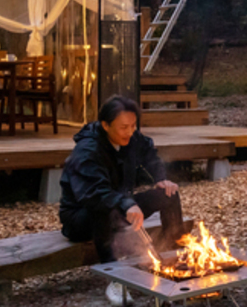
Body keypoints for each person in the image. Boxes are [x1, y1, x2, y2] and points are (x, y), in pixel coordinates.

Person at [59, 95, 185, 306]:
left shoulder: (130, 138)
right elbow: (94, 194)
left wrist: (161, 179)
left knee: (169, 195)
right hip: (82, 217)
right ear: (105, 125)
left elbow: (149, 153)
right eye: (124, 127)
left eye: (133, 126)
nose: (130, 132)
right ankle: (116, 279)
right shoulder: (87, 151)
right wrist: (126, 204)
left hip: (121, 205)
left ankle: (173, 257)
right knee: (106, 208)